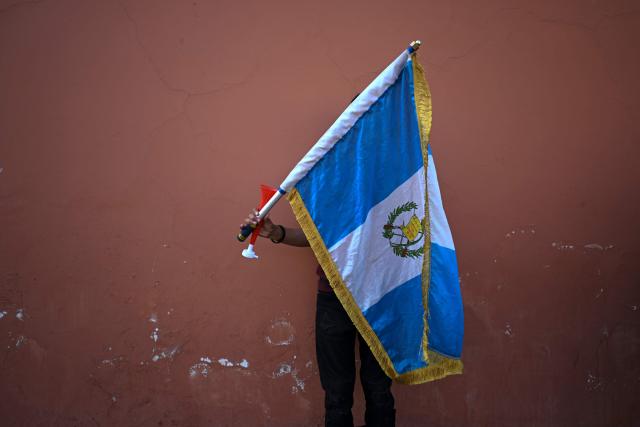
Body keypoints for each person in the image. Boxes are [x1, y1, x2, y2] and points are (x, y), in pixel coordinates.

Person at [241, 210, 396, 427]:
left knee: (379, 391)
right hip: (333, 299)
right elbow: (317, 235)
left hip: (380, 298)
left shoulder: (390, 180)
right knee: (337, 394)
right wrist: (277, 232)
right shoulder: (327, 180)